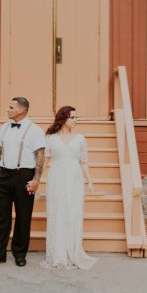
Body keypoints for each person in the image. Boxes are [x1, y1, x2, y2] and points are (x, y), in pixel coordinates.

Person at [0, 96, 45, 267]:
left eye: (11, 107)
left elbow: (40, 156)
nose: (7, 110)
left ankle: (19, 253)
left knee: (23, 216)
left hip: (23, 175)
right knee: (1, 216)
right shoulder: (4, 127)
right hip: (3, 176)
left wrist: (36, 180)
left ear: (21, 110)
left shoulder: (35, 130)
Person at [41, 105, 97, 270]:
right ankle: (57, 253)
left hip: (74, 178)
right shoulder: (50, 138)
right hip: (56, 178)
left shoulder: (80, 139)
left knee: (72, 213)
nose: (75, 120)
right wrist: (37, 180)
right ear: (63, 118)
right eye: (72, 117)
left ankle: (72, 251)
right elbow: (44, 162)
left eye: (76, 117)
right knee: (57, 212)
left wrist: (90, 180)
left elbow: (84, 162)